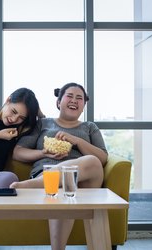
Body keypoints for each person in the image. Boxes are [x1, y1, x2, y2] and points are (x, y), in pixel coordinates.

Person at [10, 82, 108, 250]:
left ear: (83, 106)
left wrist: (76, 141)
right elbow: (18, 152)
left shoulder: (90, 127)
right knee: (64, 189)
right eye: (69, 96)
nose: (74, 100)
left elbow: (103, 158)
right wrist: (44, 153)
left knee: (92, 161)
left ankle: (31, 186)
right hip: (48, 177)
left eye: (79, 98)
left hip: (84, 181)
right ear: (58, 102)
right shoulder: (43, 124)